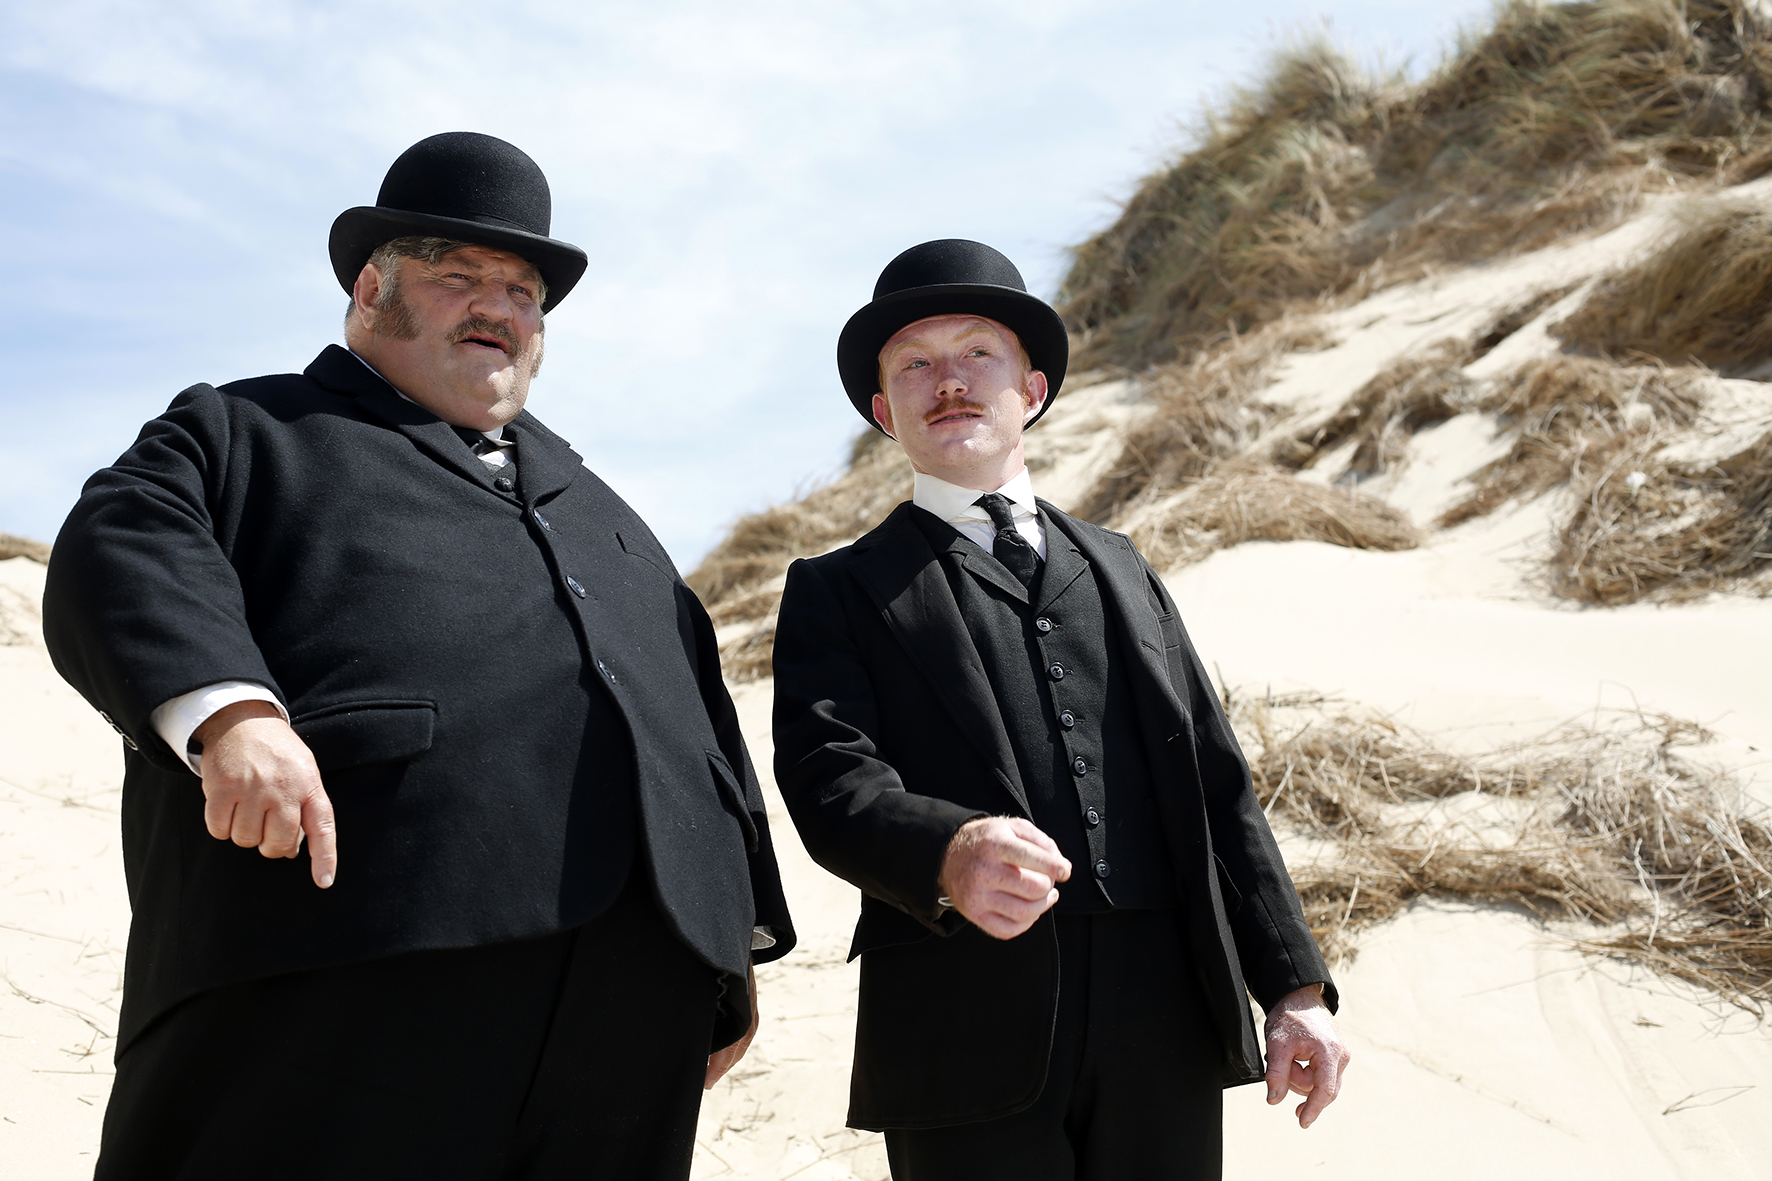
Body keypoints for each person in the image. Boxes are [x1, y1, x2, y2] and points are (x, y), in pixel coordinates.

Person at [43, 131, 794, 1181]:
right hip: (343, 955)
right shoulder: (247, 429)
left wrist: (728, 942)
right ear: (370, 290)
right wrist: (233, 714)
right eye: (460, 276)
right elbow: (122, 543)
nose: (499, 307)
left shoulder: (607, 507)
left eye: (523, 291)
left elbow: (700, 719)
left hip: (631, 1012)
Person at [770, 239, 1348, 1180]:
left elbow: (1215, 785)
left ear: (1031, 390)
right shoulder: (835, 590)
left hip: (1164, 1020)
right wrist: (947, 852)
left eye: (978, 354)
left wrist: (1293, 986)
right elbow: (829, 780)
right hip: (960, 1019)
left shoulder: (1124, 565)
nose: (948, 382)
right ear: (883, 412)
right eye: (915, 364)